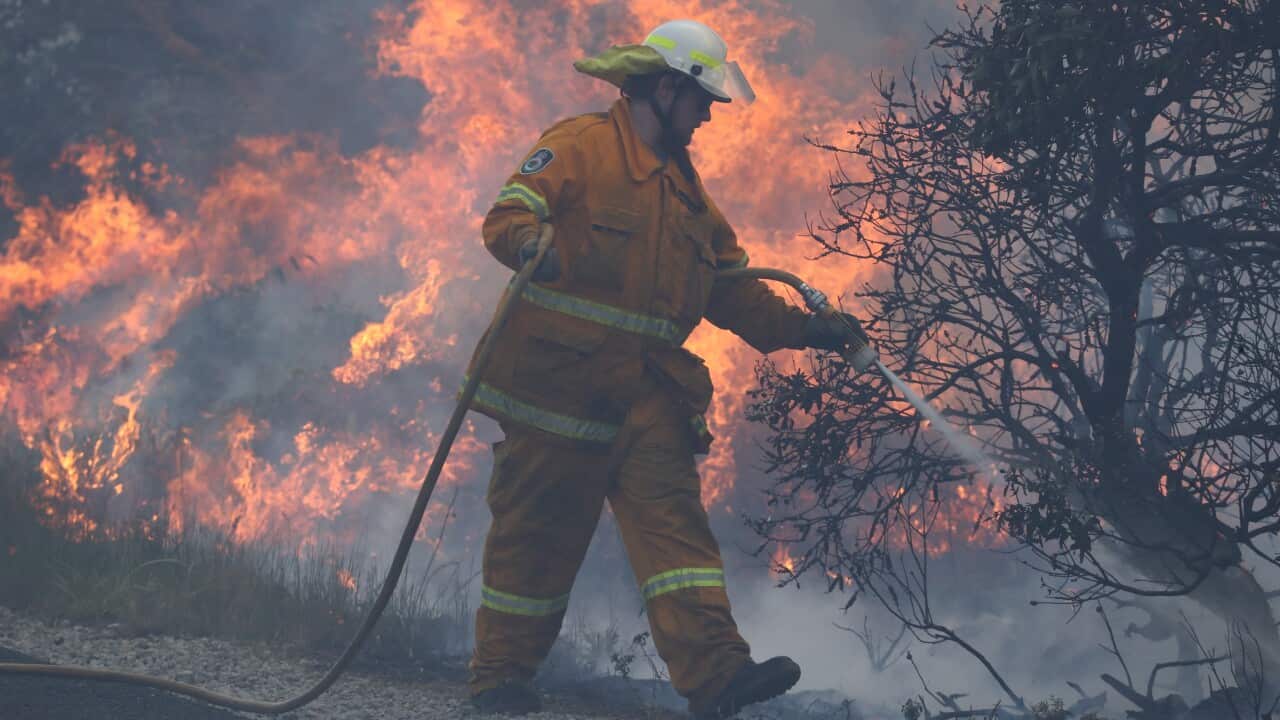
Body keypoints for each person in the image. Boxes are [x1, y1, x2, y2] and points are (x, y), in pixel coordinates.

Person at [464, 18, 868, 718]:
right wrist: (534, 240)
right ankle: (500, 679)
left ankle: (717, 678)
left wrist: (810, 327)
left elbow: (731, 287)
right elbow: (508, 214)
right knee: (536, 544)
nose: (710, 114)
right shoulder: (581, 145)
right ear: (662, 89)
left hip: (646, 399)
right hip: (560, 395)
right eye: (701, 99)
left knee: (678, 539)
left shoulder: (686, 193)